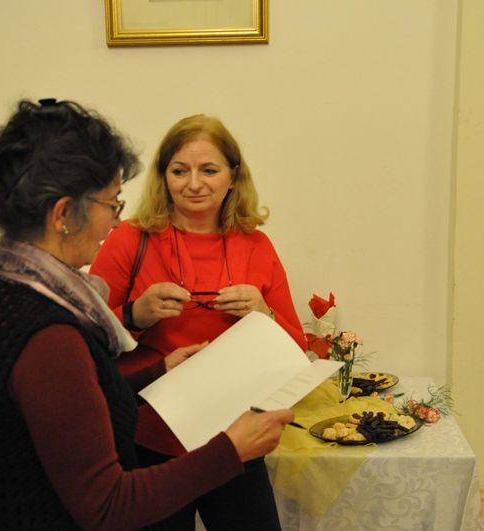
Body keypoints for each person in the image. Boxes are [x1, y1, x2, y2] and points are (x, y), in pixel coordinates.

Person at [0, 99, 293, 530]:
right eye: (111, 204)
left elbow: (78, 396)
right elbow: (108, 504)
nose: (115, 224)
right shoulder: (48, 329)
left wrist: (157, 372)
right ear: (63, 214)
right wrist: (230, 450)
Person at [90, 114, 306, 530]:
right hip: (149, 439)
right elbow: (84, 342)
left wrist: (264, 314)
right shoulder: (129, 240)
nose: (193, 184)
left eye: (208, 170)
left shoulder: (256, 244)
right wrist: (135, 315)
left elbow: (297, 353)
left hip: (235, 438)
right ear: (163, 176)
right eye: (179, 171)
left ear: (233, 177)